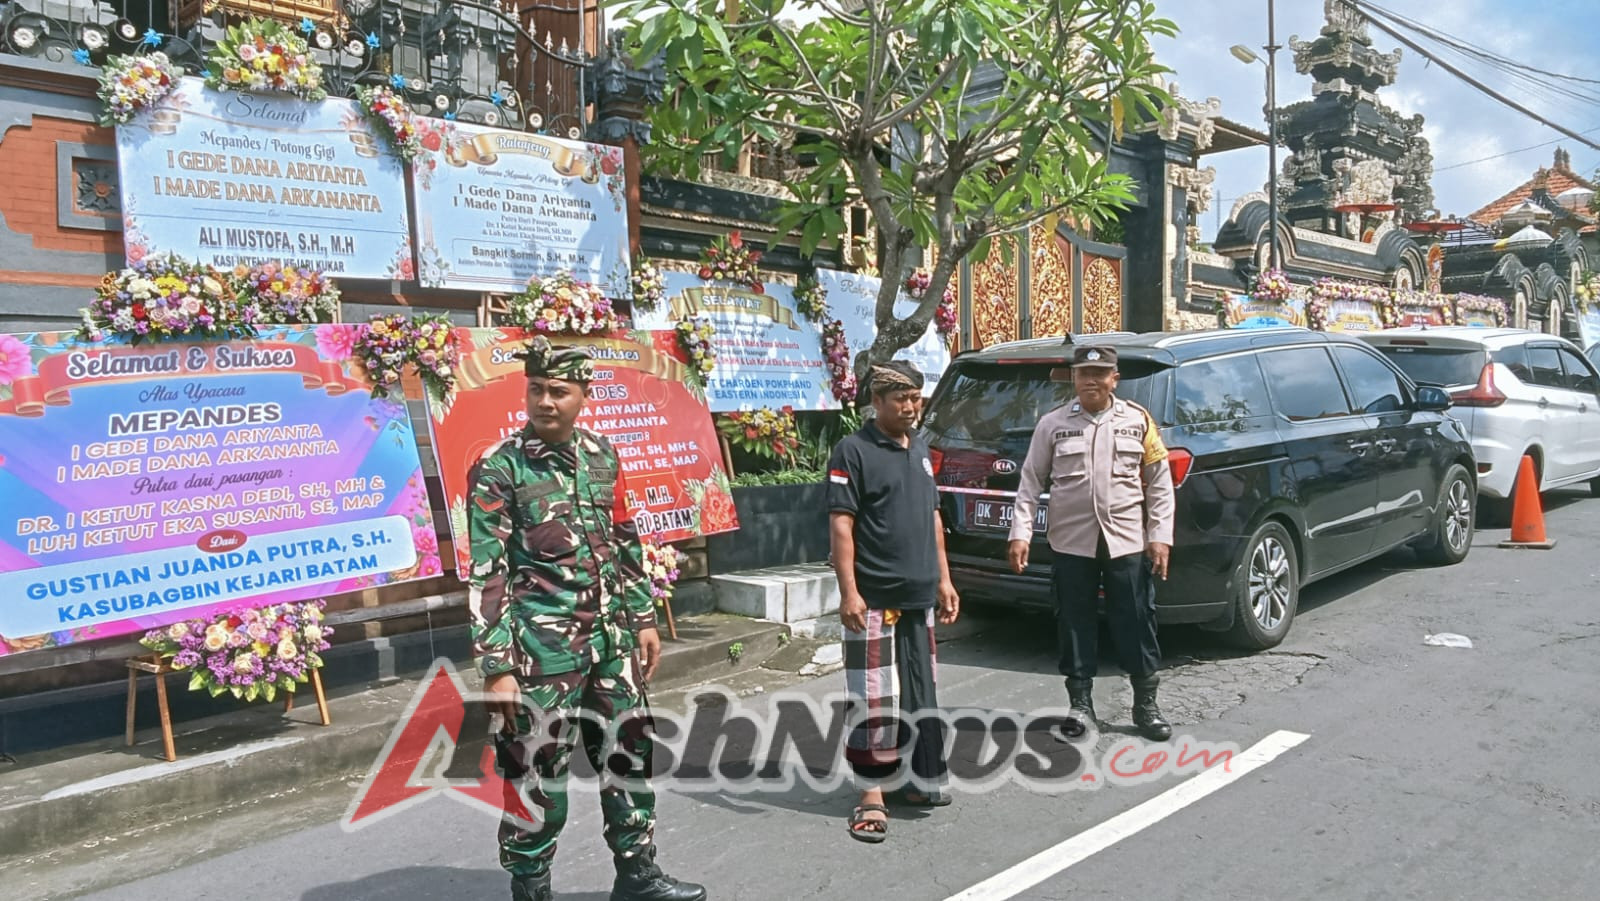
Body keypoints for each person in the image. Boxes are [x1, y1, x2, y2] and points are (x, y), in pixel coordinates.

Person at [467, 337, 706, 901]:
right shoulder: (501, 467)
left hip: (611, 643)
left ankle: (637, 874)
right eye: (536, 389)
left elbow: (625, 540)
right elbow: (486, 571)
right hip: (541, 652)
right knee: (536, 773)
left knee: (628, 756)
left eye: (559, 391)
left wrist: (644, 618)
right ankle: (530, 886)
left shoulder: (603, 456)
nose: (545, 401)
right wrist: (497, 666)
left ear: (584, 395)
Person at [1007, 344, 1176, 742]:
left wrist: (1160, 536)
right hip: (1072, 542)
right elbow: (1030, 481)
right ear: (1074, 378)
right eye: (1084, 374)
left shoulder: (1138, 420)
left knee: (1136, 619)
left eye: (1099, 374)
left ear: (1114, 378)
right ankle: (1081, 706)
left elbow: (1160, 483)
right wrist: (1020, 533)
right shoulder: (1052, 424)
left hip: (1127, 540)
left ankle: (1145, 705)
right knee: (1074, 621)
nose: (1091, 381)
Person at [828, 361, 961, 843]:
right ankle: (871, 794)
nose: (910, 407)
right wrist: (849, 591)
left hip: (919, 593)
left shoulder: (920, 448)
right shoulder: (853, 450)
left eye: (915, 398)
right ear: (877, 402)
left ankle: (916, 779)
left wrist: (945, 580)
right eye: (901, 399)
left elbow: (933, 517)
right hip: (875, 596)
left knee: (921, 691)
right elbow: (841, 523)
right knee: (873, 697)